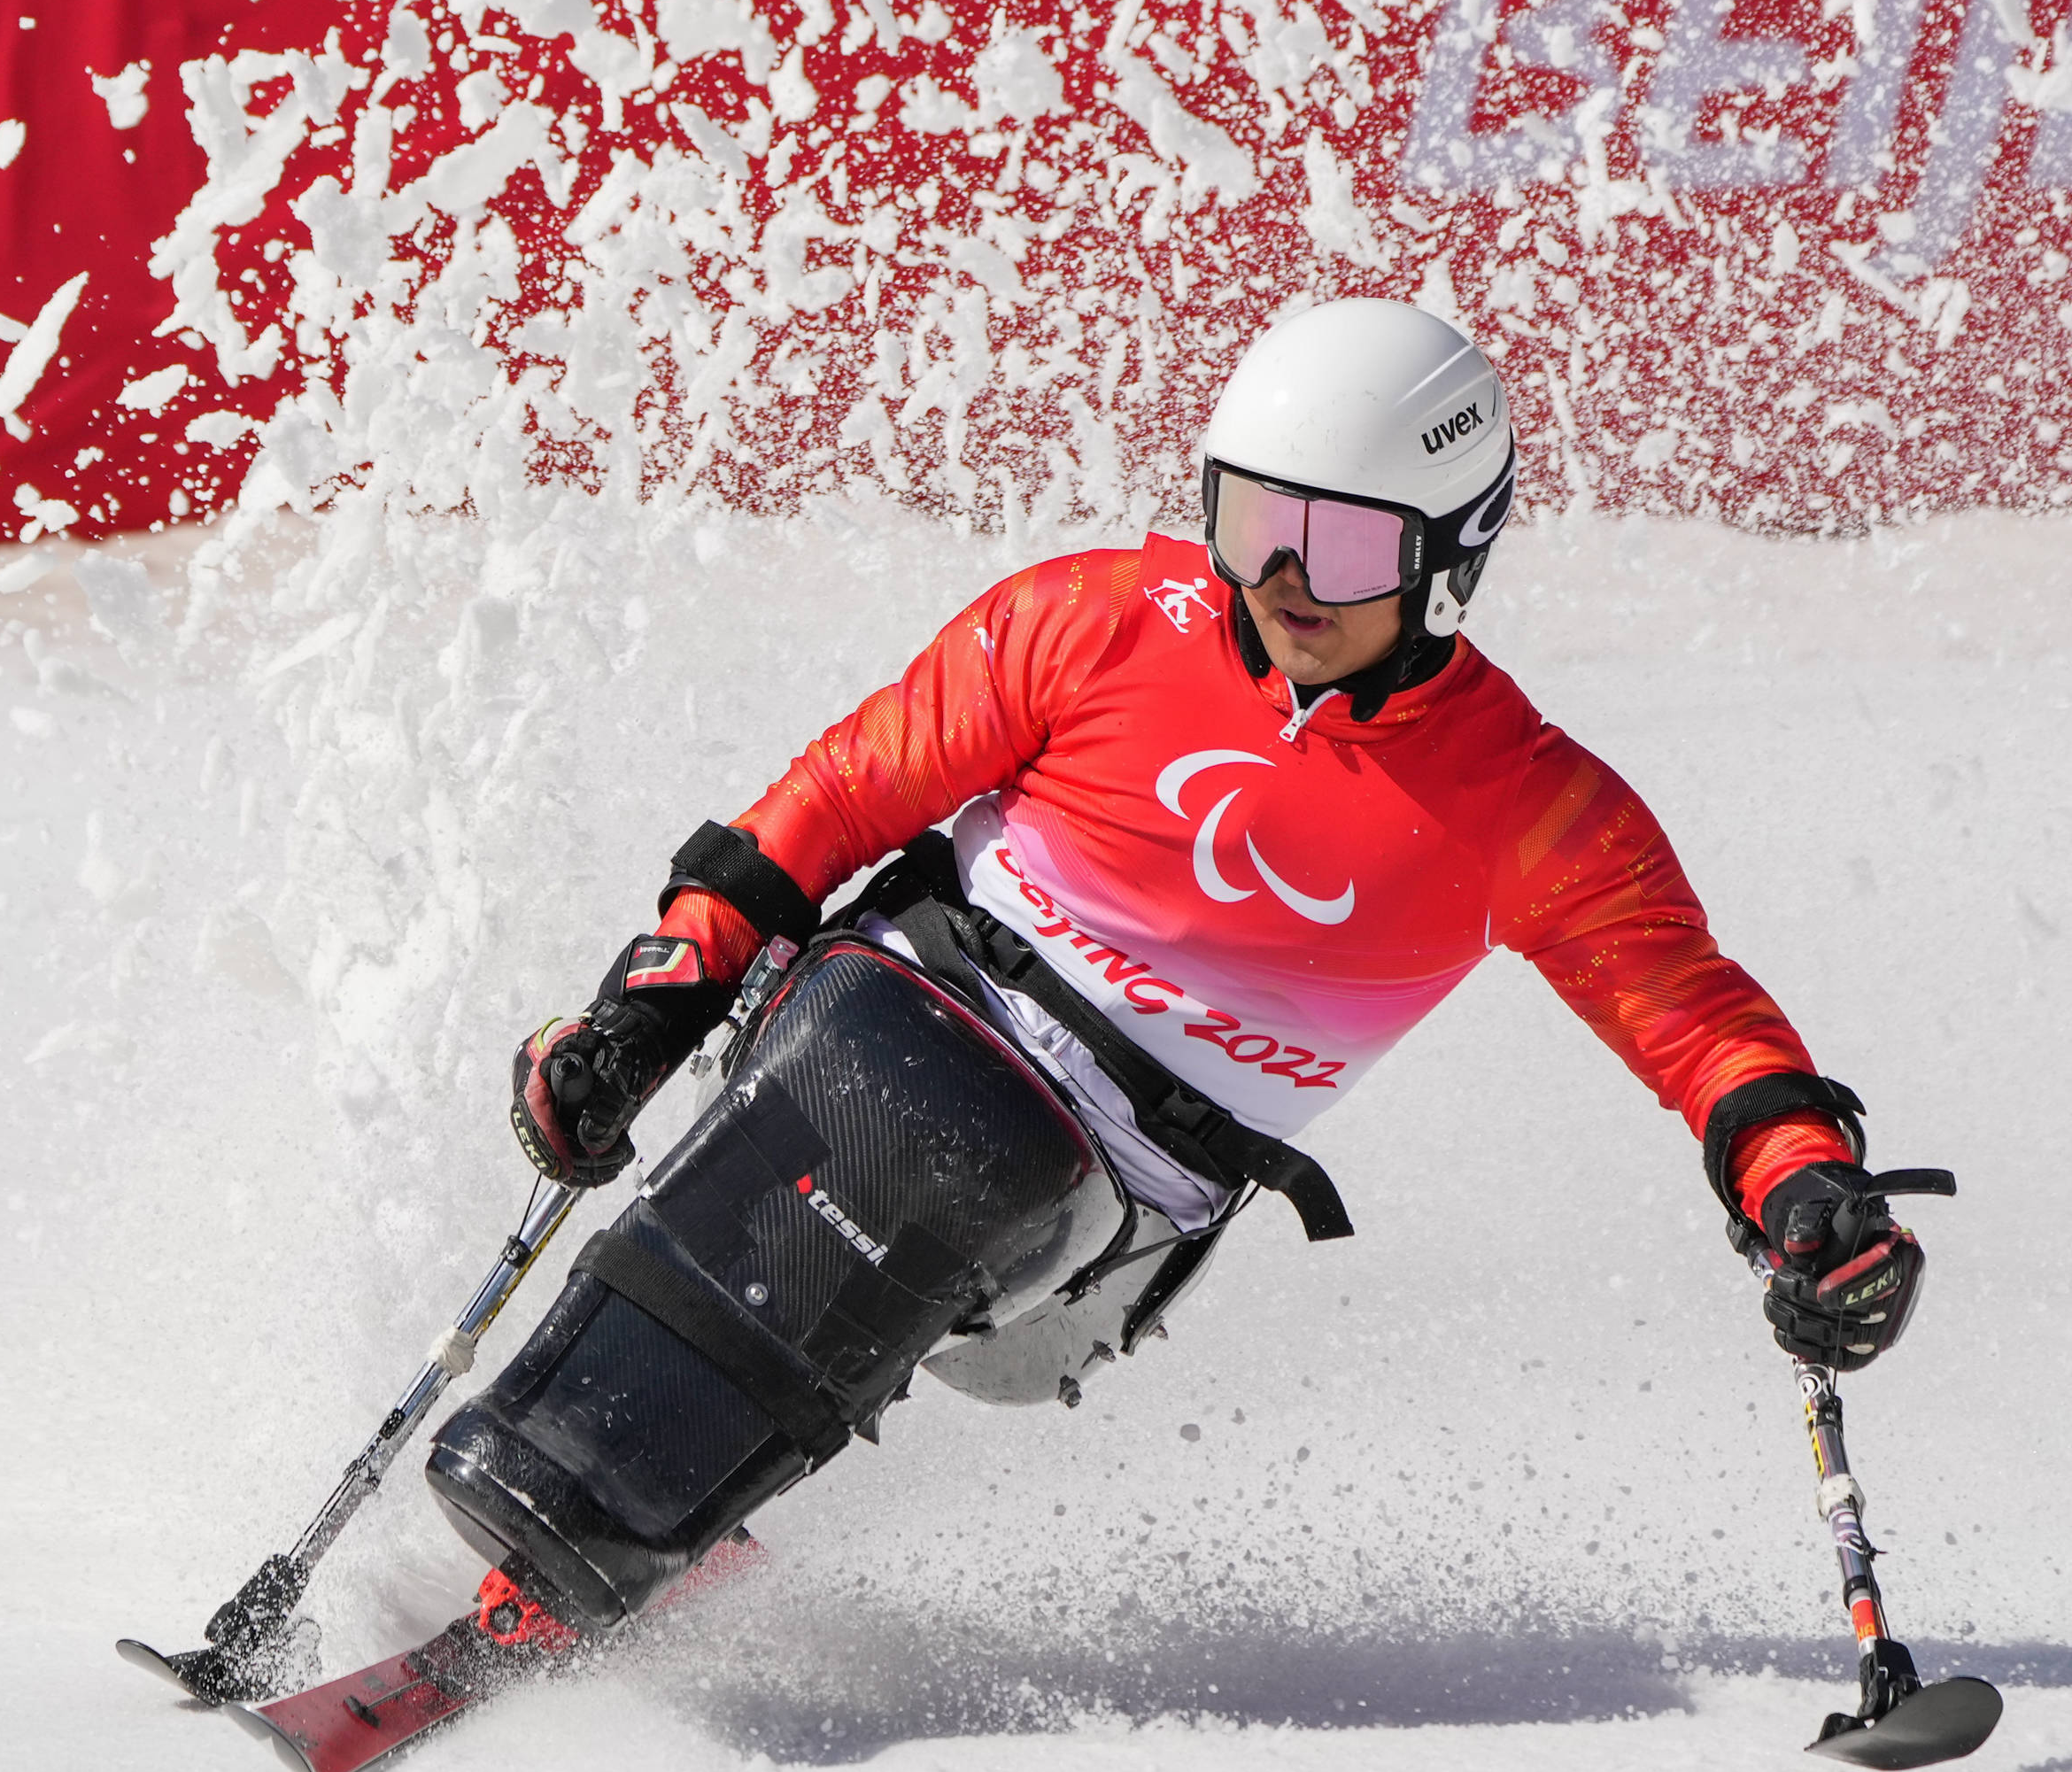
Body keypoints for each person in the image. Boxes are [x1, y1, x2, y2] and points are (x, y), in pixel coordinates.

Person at [421, 298, 1935, 1643]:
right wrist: (655, 999)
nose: (1283, 575)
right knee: (885, 1082)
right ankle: (618, 1475)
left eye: (1341, 542)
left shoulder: (1526, 804)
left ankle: (623, 1487)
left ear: (1452, 553)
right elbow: (833, 802)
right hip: (901, 1009)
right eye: (1254, 516)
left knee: (948, 1140)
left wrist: (1803, 1190)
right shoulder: (1092, 620)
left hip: (1106, 1211)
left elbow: (1699, 1024)